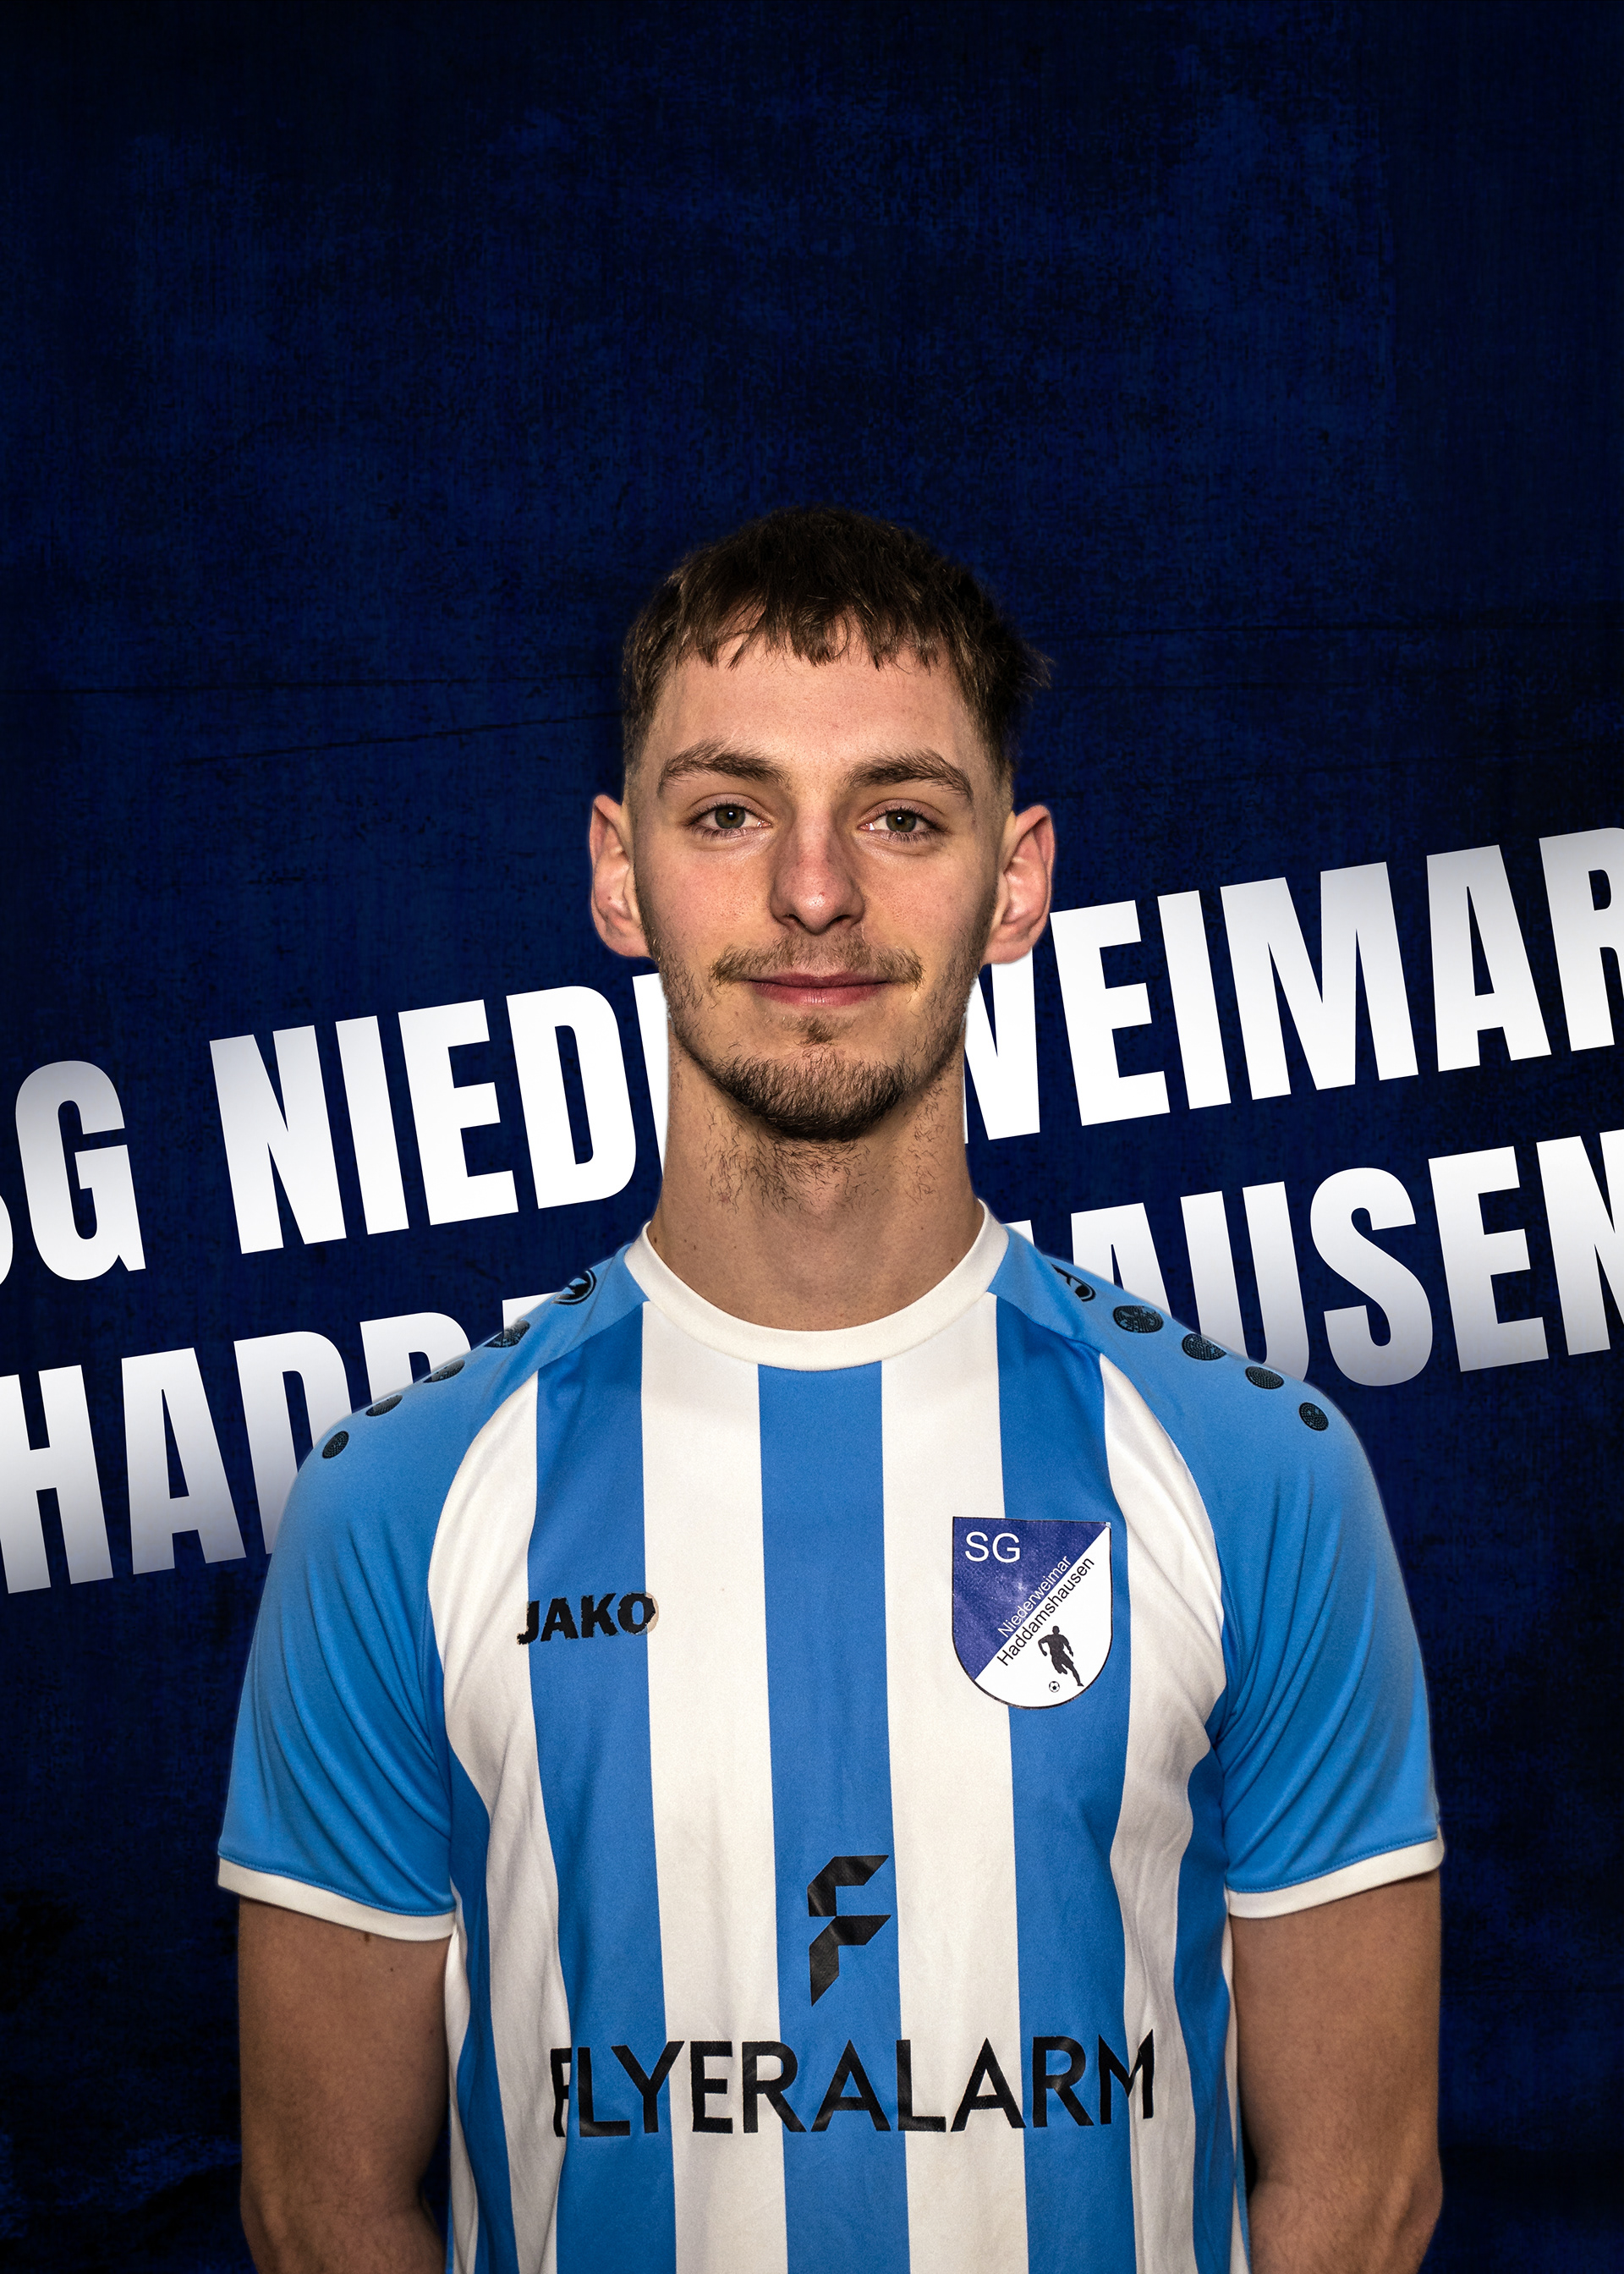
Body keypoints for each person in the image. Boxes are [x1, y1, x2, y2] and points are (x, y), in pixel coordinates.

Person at [219, 507, 1444, 2274]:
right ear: (619, 875)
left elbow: (1363, 2190)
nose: (814, 892)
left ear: (1015, 881)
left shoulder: (1261, 1473)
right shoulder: (396, 1507)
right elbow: (322, 2207)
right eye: (729, 812)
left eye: (900, 815)